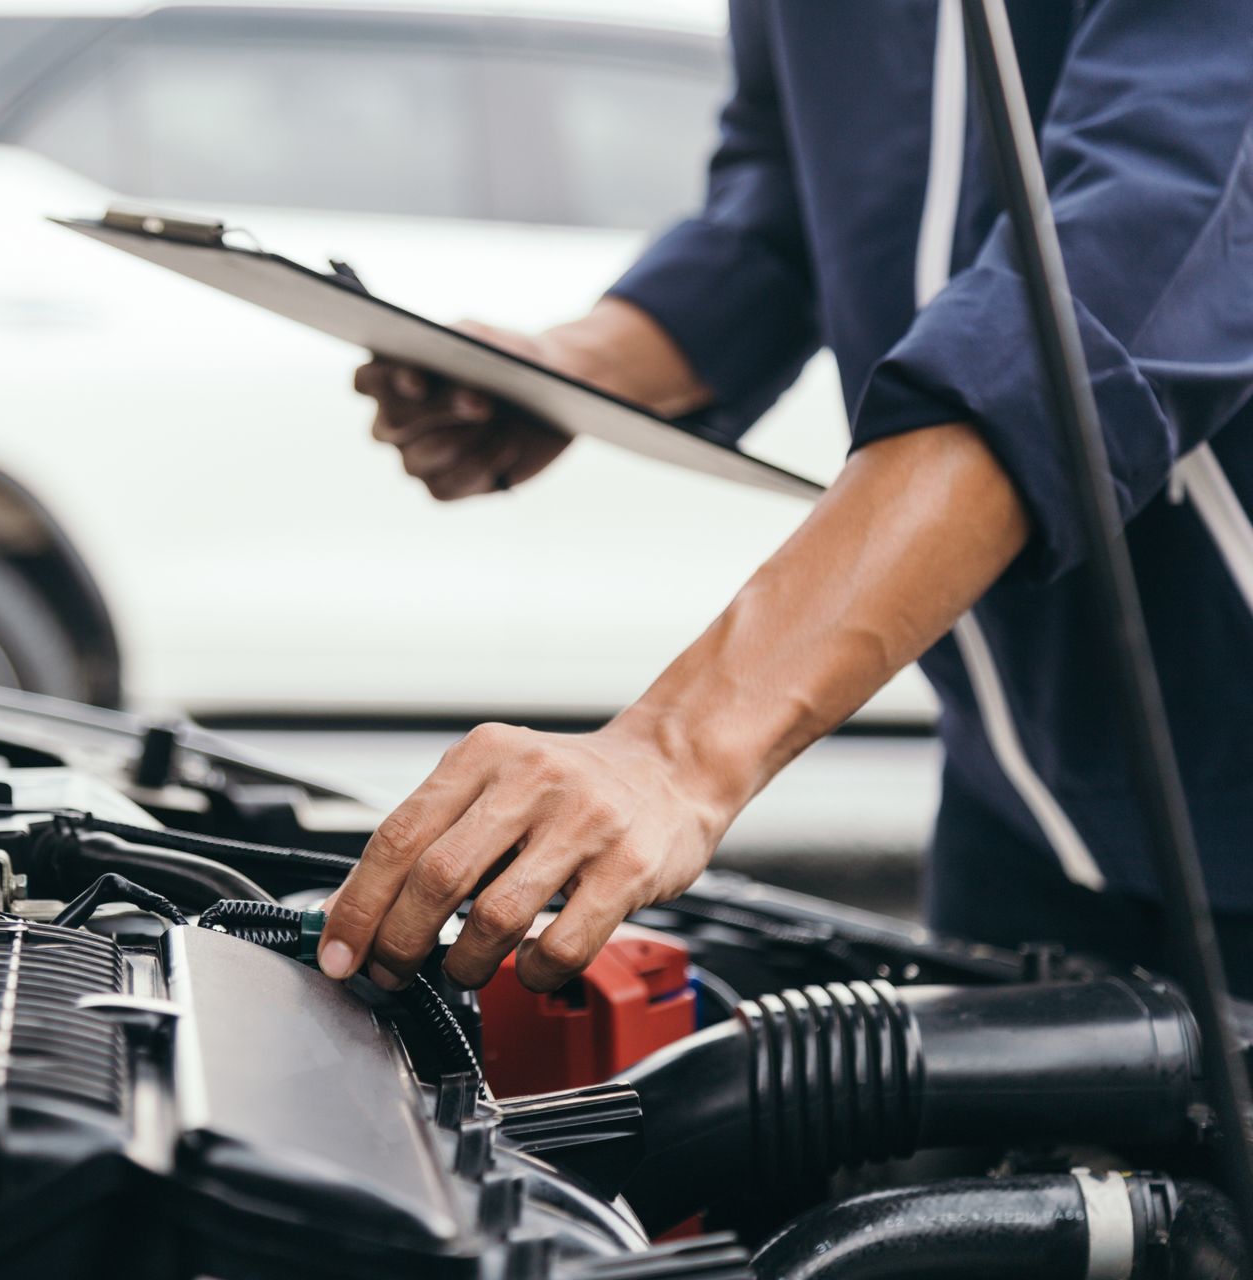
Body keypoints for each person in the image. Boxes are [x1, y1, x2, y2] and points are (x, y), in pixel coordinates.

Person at [314, 0, 1253, 997]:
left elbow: (1147, 239)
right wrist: (576, 369)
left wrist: (677, 748)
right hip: (1021, 788)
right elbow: (783, 205)